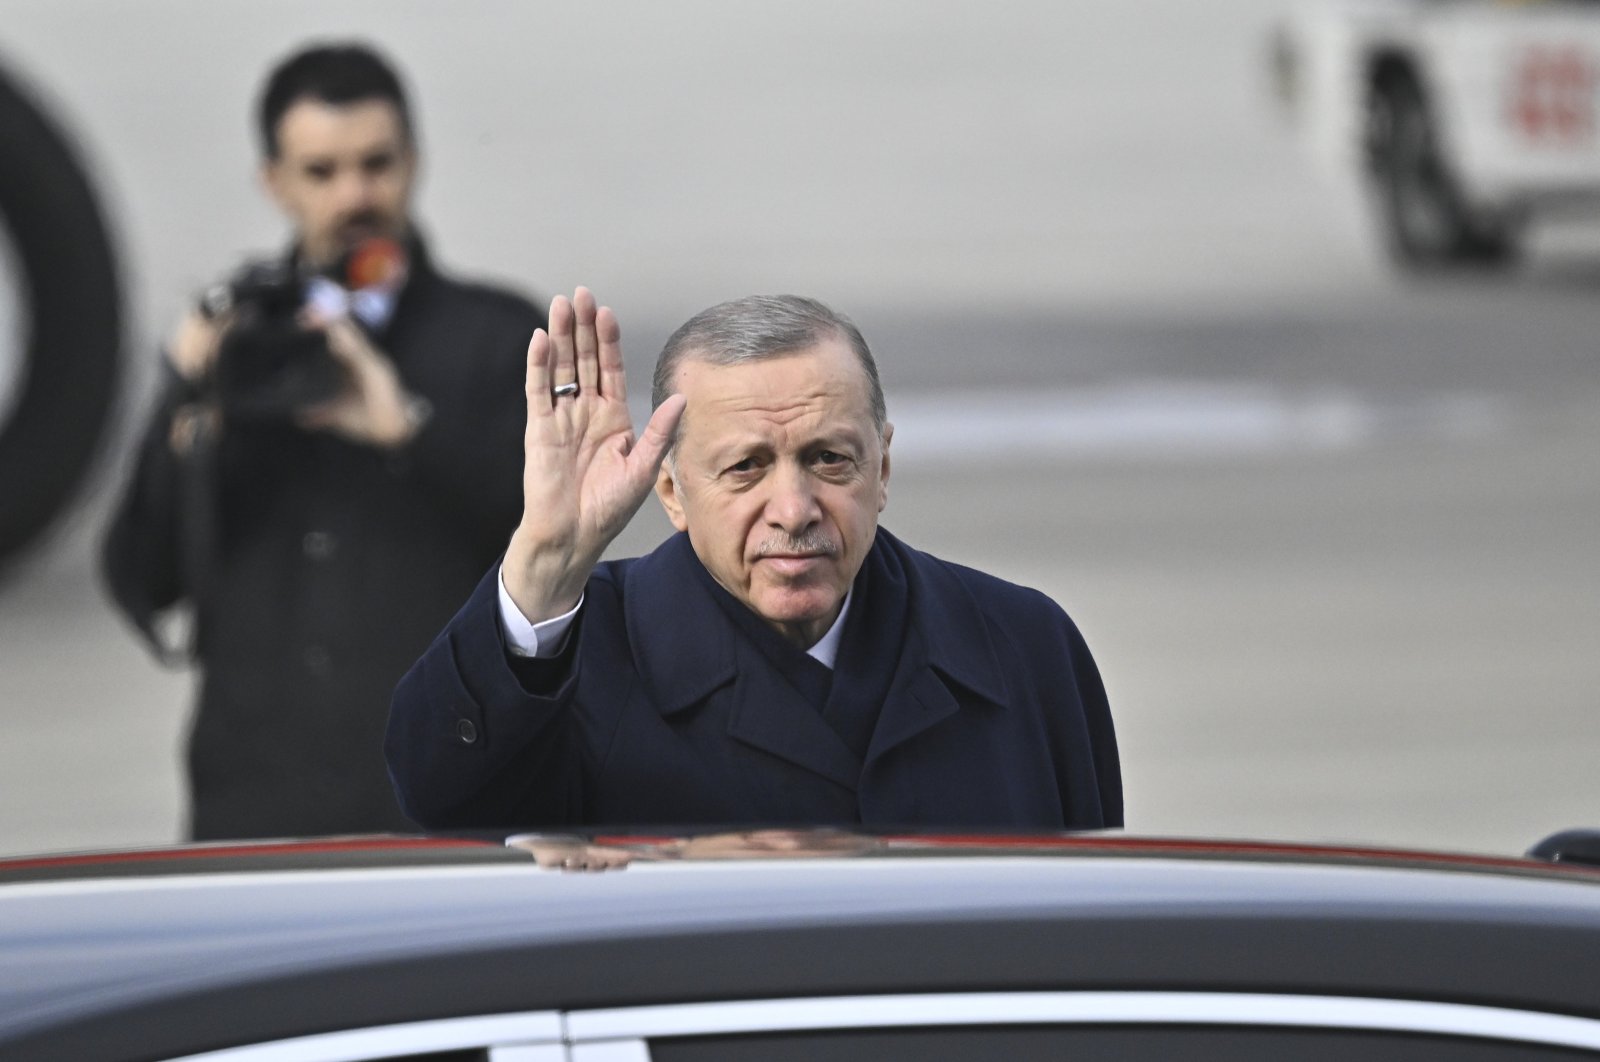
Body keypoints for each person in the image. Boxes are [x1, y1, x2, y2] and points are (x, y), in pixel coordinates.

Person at [386, 289, 1121, 832]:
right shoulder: (586, 661)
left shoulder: (1020, 646)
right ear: (670, 490)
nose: (794, 508)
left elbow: (1097, 936)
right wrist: (546, 560)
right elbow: (445, 807)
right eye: (745, 468)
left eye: (830, 460)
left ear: (884, 468)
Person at [102, 43, 545, 839]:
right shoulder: (235, 345)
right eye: (322, 171)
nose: (355, 194)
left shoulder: (500, 337)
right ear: (274, 181)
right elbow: (141, 577)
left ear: (414, 162)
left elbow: (556, 553)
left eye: (377, 164)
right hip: (253, 816)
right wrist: (183, 389)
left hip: (441, 810)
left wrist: (406, 428)